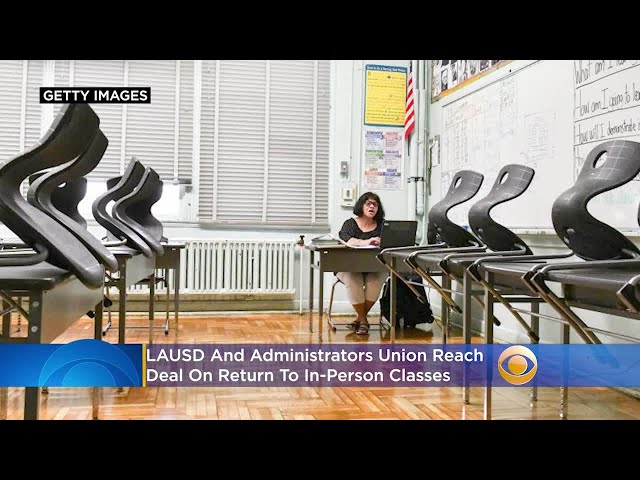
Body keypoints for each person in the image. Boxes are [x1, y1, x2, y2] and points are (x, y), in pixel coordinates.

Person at [337, 192, 388, 336]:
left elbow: (390, 243)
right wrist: (367, 241)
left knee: (375, 281)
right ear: (361, 206)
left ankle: (360, 319)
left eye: (375, 204)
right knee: (353, 279)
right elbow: (346, 240)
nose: (372, 207)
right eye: (368, 204)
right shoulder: (350, 224)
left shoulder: (383, 226)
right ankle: (364, 321)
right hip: (349, 267)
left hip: (375, 267)